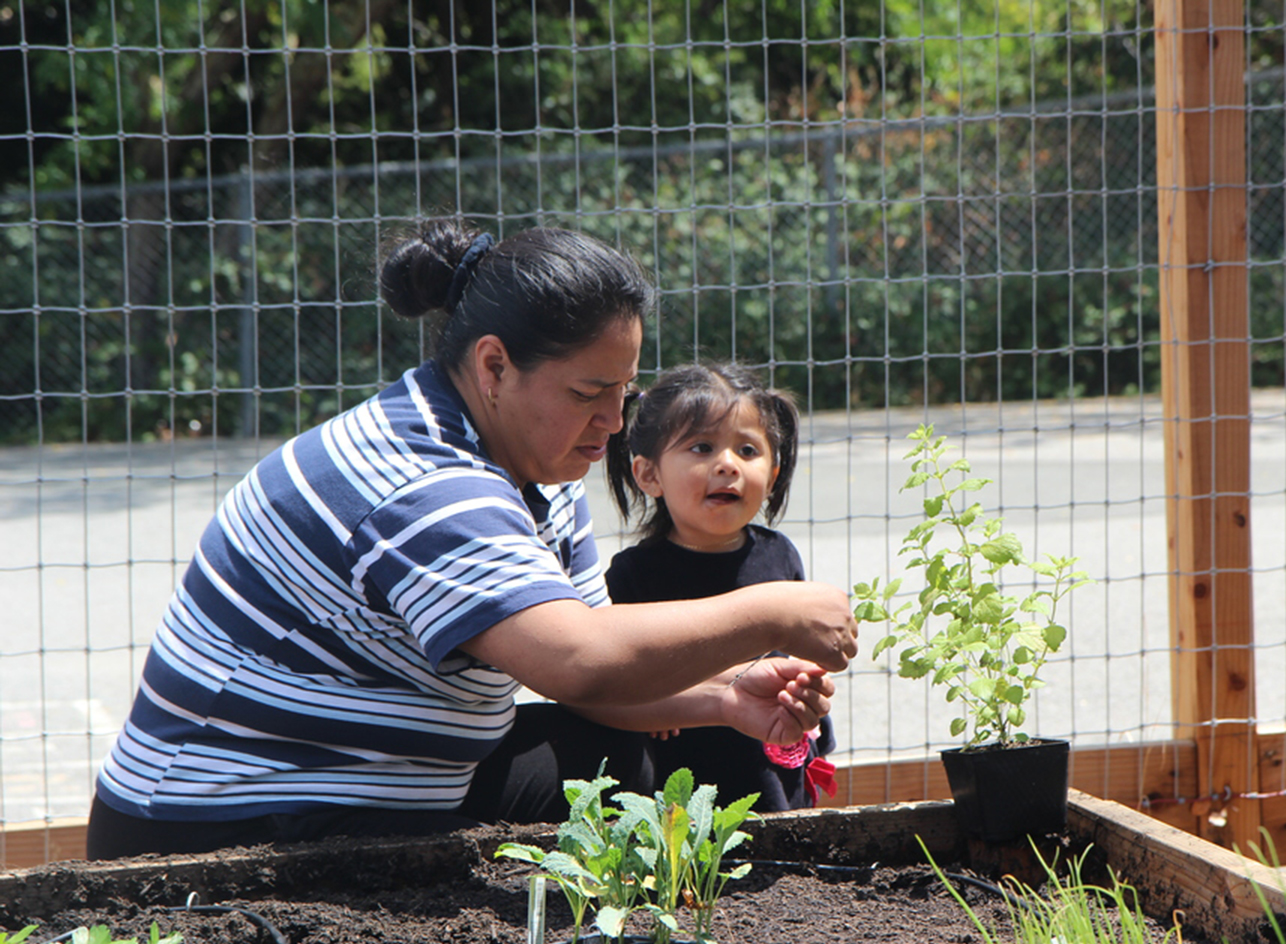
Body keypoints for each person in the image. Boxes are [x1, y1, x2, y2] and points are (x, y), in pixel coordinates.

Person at [86, 222, 857, 861]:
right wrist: (772, 611)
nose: (616, 423)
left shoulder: (537, 464)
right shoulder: (423, 479)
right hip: (225, 826)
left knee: (608, 759)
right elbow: (580, 659)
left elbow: (589, 668)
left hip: (362, 782)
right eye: (589, 393)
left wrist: (725, 701)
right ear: (494, 365)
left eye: (624, 391)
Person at [603, 362, 837, 811]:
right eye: (703, 447)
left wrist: (809, 709)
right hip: (676, 774)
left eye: (748, 450)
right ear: (649, 475)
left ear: (771, 476)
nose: (728, 465)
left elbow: (800, 658)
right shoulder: (634, 575)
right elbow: (616, 678)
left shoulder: (779, 555)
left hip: (768, 759)